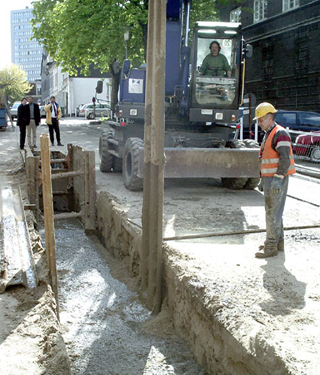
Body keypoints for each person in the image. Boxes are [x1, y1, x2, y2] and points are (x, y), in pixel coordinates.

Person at [254, 102, 296, 258]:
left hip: (276, 178)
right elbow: (267, 158)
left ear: (270, 118)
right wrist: (263, 180)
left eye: (261, 120)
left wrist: (277, 179)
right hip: (270, 178)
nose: (259, 124)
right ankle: (277, 243)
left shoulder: (280, 133)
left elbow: (284, 159)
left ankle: (271, 246)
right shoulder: (270, 133)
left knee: (272, 213)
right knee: (275, 212)